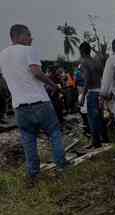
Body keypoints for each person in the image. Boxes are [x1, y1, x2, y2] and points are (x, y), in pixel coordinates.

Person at [0, 24, 68, 185]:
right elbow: (36, 72)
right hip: (39, 103)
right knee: (54, 132)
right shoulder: (29, 50)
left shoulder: (2, 55)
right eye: (29, 35)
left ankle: (33, 173)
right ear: (19, 36)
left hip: (19, 107)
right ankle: (61, 166)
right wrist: (54, 86)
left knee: (28, 139)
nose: (31, 38)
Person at [79, 42, 109, 148]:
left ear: (81, 51)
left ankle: (95, 142)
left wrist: (83, 96)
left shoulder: (84, 62)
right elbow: (102, 75)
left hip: (92, 92)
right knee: (100, 117)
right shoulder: (96, 62)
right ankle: (105, 138)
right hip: (100, 91)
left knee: (92, 118)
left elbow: (87, 79)